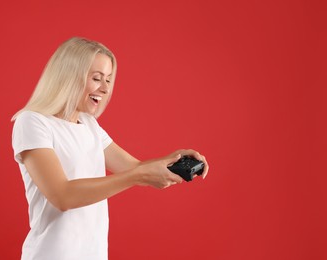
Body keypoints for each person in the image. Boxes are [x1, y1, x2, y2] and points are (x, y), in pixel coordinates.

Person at [11, 37, 209, 260]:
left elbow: (132, 166)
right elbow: (62, 195)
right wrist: (137, 176)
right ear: (69, 75)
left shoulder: (89, 125)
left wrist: (173, 161)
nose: (105, 88)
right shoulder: (32, 122)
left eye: (108, 80)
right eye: (96, 78)